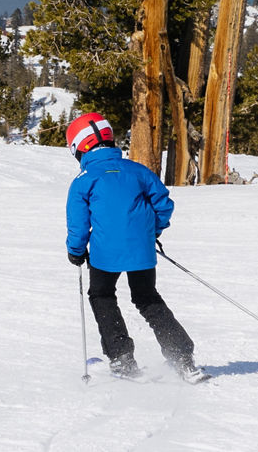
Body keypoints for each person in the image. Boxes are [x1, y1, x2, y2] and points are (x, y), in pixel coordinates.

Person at [62, 112, 200, 382]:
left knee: (102, 296)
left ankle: (122, 358)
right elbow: (164, 205)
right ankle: (183, 358)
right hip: (142, 252)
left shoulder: (83, 180)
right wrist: (151, 232)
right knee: (147, 298)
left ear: (78, 147)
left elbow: (78, 225)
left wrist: (76, 252)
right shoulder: (138, 171)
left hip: (104, 256)